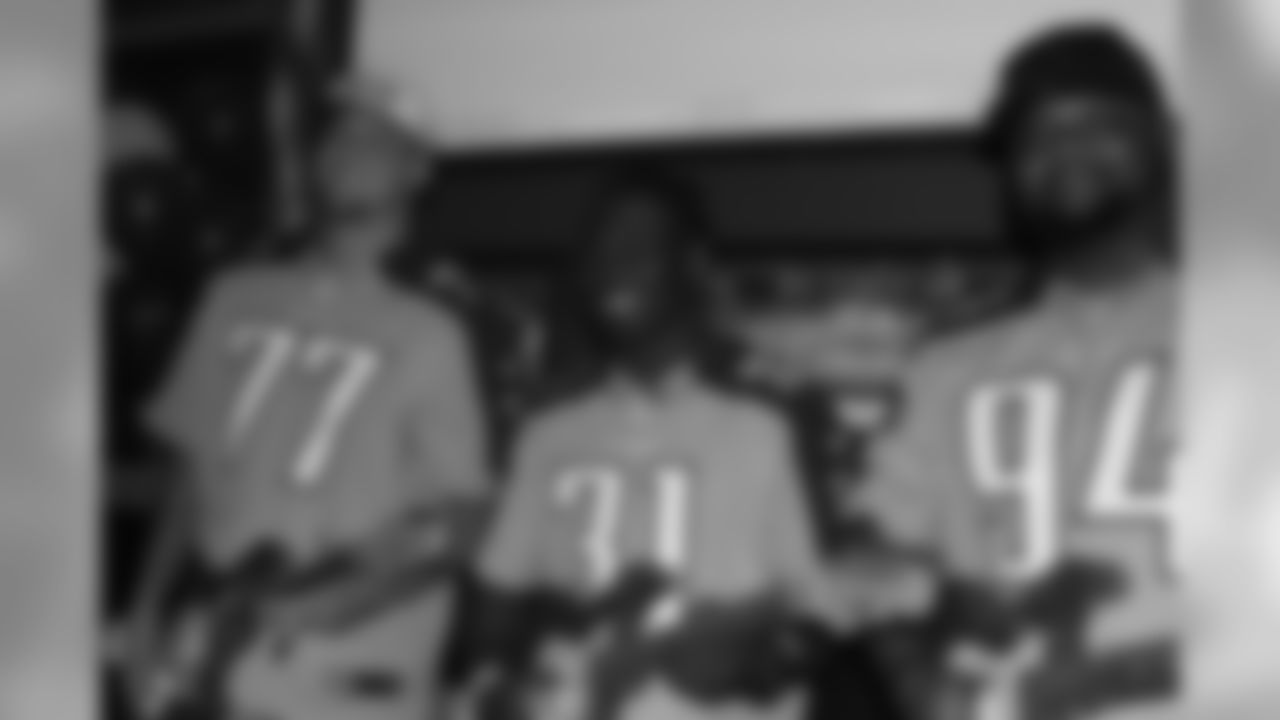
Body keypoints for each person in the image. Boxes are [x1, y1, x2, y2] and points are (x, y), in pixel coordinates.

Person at [451, 167, 916, 720]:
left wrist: (743, 655)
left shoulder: (775, 416)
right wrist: (506, 681)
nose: (613, 264)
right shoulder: (549, 429)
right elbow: (495, 609)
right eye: (600, 251)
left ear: (692, 264)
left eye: (637, 246)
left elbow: (821, 605)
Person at [119, 79, 491, 720]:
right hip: (211, 658)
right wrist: (146, 607)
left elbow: (462, 520)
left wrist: (344, 600)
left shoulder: (441, 327)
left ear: (417, 169)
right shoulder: (234, 294)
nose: (349, 147)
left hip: (344, 677)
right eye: (338, 131)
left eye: (375, 137)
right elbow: (190, 471)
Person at [857, 23, 1178, 720]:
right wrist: (913, 660)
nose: (1066, 148)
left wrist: (1101, 676)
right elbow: (881, 551)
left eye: (1098, 124)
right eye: (1037, 135)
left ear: (1160, 142)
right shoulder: (943, 370)